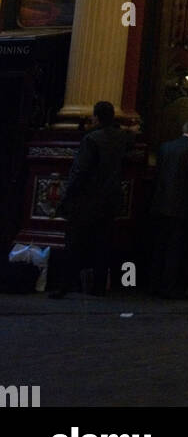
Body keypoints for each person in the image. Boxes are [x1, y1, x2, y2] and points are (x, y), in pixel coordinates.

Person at [50, 101, 138, 299]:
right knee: (103, 244)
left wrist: (67, 196)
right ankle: (98, 286)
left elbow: (80, 171)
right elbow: (132, 140)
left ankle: (65, 285)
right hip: (110, 199)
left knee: (74, 244)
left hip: (87, 199)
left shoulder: (92, 139)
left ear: (96, 117)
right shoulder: (122, 137)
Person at [149, 117, 188, 298]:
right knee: (177, 249)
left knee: (160, 247)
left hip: (160, 204)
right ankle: (171, 287)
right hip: (183, 207)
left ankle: (155, 285)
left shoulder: (165, 147)